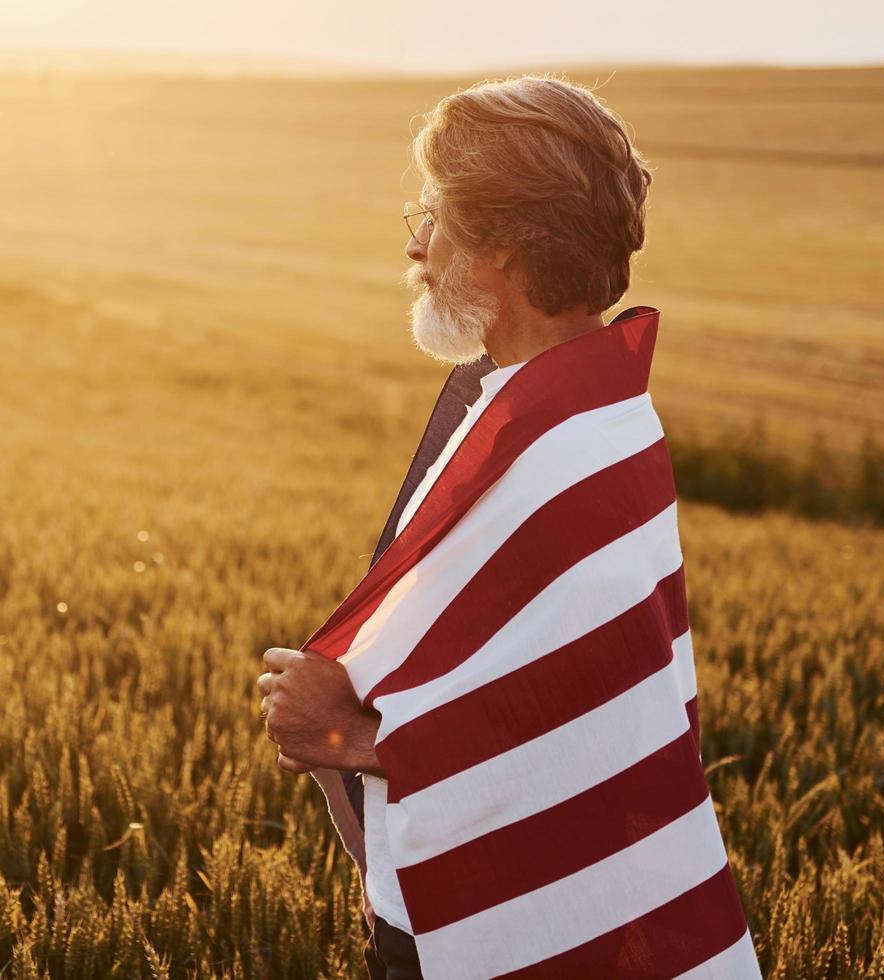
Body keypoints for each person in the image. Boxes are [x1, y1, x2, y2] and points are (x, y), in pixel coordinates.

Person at [256, 74, 760, 979]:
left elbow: (586, 735)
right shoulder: (574, 412)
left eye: (438, 217)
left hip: (507, 940)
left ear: (509, 252)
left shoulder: (565, 451)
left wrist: (345, 739)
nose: (415, 244)